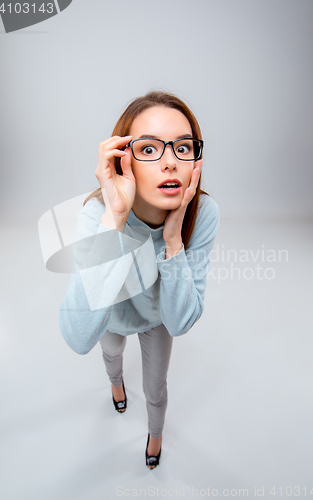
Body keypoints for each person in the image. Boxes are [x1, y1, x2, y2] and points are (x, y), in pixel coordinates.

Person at [59, 91, 220, 469]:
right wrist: (115, 219)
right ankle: (115, 383)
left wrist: (173, 239)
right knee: (110, 353)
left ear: (195, 159)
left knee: (155, 387)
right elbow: (78, 336)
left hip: (158, 317)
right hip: (111, 315)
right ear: (122, 158)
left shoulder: (204, 211)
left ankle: (156, 434)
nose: (170, 163)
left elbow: (181, 321)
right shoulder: (98, 210)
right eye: (149, 150)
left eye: (183, 148)